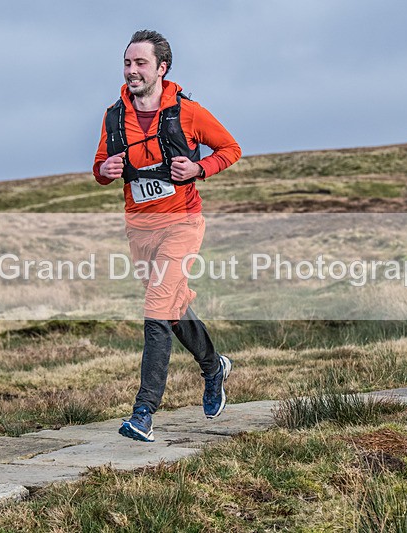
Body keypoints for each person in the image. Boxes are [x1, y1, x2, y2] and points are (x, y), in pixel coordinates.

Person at [93, 30, 242, 442]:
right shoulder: (112, 116)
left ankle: (143, 413)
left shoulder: (188, 112)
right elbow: (101, 165)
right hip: (140, 229)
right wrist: (103, 172)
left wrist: (199, 169)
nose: (132, 70)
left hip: (182, 223)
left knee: (156, 309)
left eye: (140, 63)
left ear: (162, 68)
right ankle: (214, 367)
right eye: (127, 63)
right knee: (172, 308)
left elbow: (230, 148)